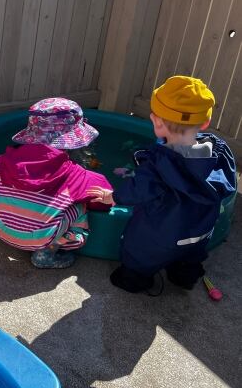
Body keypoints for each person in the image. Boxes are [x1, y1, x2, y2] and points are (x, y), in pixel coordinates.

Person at [89, 76, 236, 293]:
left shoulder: (158, 165)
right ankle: (183, 277)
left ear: (156, 121)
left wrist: (112, 196)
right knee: (190, 257)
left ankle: (133, 279)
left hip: (161, 234)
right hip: (199, 232)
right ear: (205, 123)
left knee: (139, 252)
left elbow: (138, 190)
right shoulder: (219, 153)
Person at [0, 98, 112, 269]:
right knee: (81, 208)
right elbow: (102, 197)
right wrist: (107, 200)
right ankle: (47, 254)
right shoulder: (77, 176)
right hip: (42, 240)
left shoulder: (5, 161)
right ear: (71, 142)